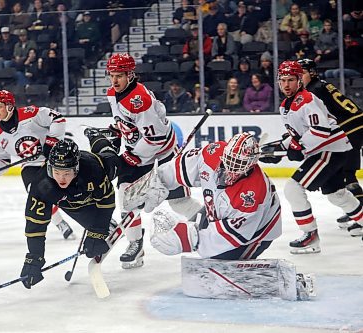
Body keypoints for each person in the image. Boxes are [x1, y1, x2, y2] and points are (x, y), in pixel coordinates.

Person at [105, 53, 200, 269]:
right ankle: (135, 244)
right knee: (126, 197)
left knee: (178, 202)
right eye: (111, 75)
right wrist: (119, 130)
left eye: (119, 75)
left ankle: (209, 225)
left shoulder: (140, 100)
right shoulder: (113, 93)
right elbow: (126, 121)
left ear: (130, 75)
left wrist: (134, 154)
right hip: (139, 149)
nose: (115, 81)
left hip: (163, 150)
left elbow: (155, 137)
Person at [123, 132, 282, 260]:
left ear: (250, 166)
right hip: (221, 214)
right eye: (229, 161)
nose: (230, 170)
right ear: (224, 153)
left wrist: (189, 239)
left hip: (257, 232)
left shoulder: (252, 195)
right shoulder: (212, 153)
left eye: (238, 165)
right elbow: (180, 167)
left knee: (219, 256)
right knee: (203, 230)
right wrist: (156, 181)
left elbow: (232, 237)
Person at [259, 61, 362, 253]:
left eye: (291, 80)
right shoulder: (286, 106)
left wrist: (299, 148)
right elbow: (298, 135)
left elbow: (321, 130)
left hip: (330, 151)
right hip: (331, 150)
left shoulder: (307, 99)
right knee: (337, 195)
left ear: (299, 80)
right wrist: (277, 148)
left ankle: (311, 236)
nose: (286, 85)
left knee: (292, 188)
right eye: (283, 80)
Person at [19, 137, 120, 289]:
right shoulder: (41, 185)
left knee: (113, 161)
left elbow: (107, 201)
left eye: (66, 173)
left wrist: (98, 232)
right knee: (85, 217)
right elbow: (35, 223)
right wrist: (35, 257)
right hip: (72, 199)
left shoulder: (92, 169)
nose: (61, 178)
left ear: (76, 169)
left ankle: (99, 138)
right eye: (57, 172)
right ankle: (101, 223)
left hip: (101, 170)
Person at [0, 90, 75, 240]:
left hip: (54, 158)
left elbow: (58, 119)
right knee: (37, 195)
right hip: (31, 166)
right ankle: (60, 223)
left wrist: (52, 141)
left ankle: (92, 215)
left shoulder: (31, 114)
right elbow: (2, 160)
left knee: (70, 190)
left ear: (9, 106)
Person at [298, 58, 363, 235]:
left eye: (301, 73)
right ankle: (355, 212)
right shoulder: (320, 85)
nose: (298, 77)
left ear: (311, 73)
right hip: (355, 126)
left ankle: (360, 218)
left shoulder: (313, 91)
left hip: (350, 130)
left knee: (347, 175)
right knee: (346, 174)